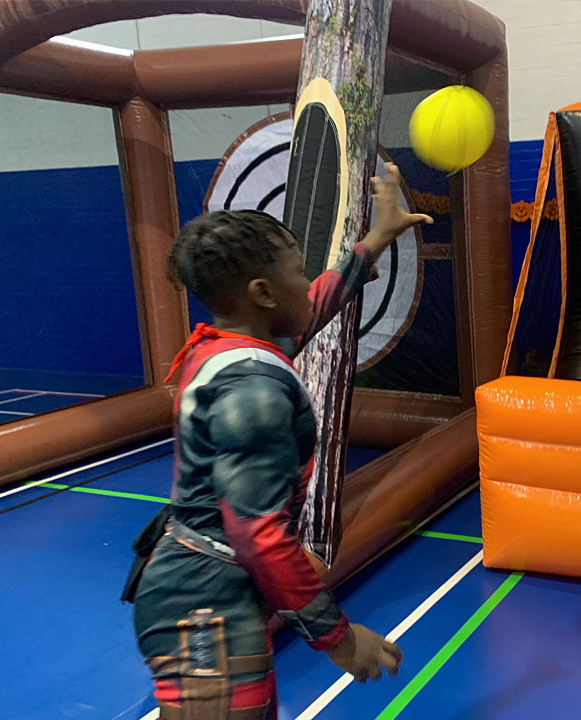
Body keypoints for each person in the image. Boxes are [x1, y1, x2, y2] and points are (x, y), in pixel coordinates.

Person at [125, 163, 432, 719]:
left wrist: (378, 239)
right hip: (201, 603)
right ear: (262, 293)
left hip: (213, 584)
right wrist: (338, 638)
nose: (305, 278)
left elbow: (313, 303)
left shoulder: (234, 341)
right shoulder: (254, 391)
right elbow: (258, 534)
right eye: (297, 269)